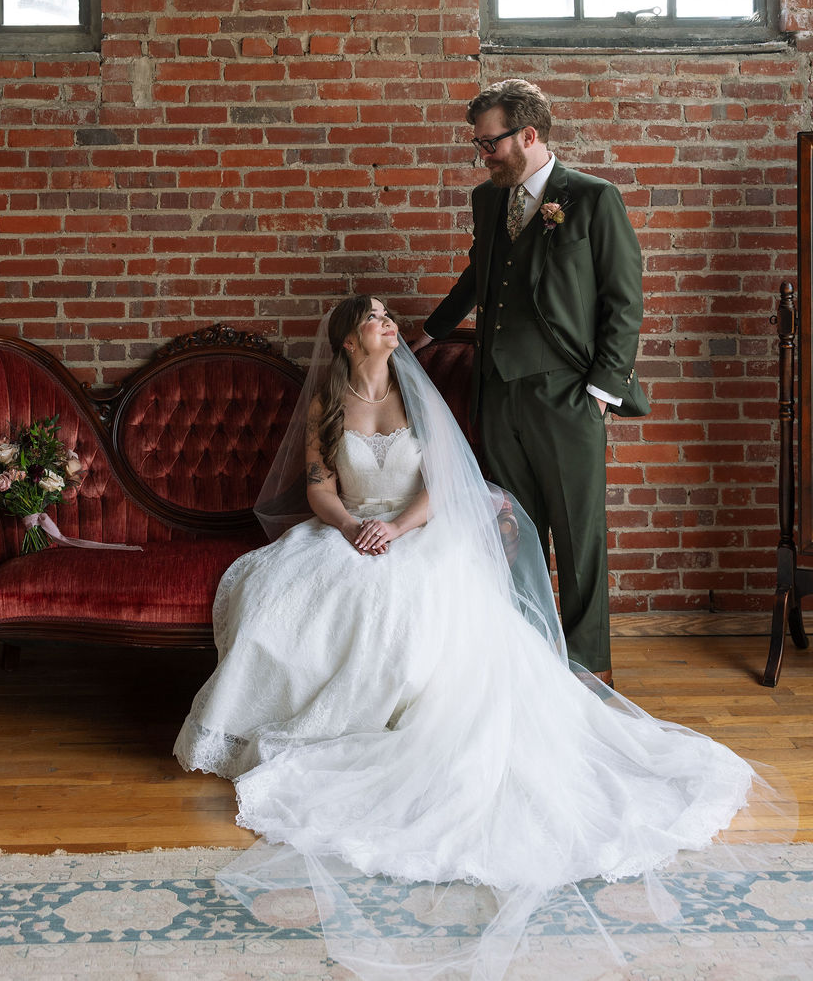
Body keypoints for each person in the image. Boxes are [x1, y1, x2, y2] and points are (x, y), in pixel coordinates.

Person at [175, 293, 767, 980]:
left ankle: (399, 717)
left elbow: (444, 484)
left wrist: (395, 529)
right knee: (284, 593)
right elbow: (319, 487)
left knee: (412, 599)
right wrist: (348, 527)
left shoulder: (415, 395)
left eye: (386, 312)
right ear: (346, 342)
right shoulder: (326, 406)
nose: (386, 319)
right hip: (347, 532)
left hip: (420, 532)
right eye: (371, 316)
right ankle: (319, 713)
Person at [415, 78, 648, 686]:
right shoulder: (488, 201)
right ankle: (527, 662)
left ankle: (589, 668)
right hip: (499, 390)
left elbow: (623, 303)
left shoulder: (594, 200)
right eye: (477, 145)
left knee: (579, 535)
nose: (482, 155)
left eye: (489, 144)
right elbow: (479, 272)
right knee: (513, 532)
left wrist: (600, 393)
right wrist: (432, 333)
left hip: (567, 393)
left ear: (529, 135)